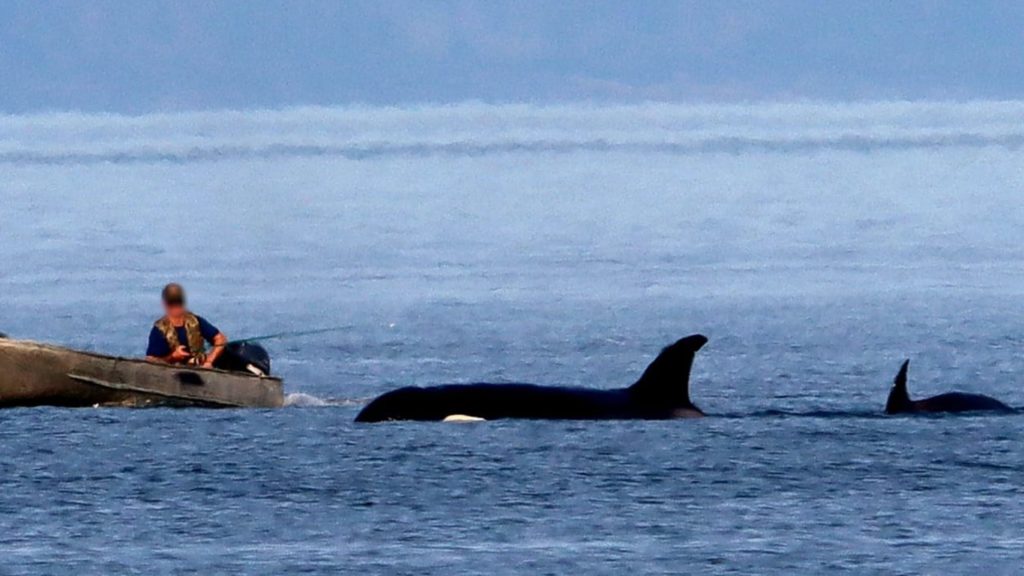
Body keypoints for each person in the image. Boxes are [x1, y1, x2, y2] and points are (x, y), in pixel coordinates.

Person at [146, 283, 227, 368]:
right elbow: (151, 360)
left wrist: (209, 361)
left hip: (199, 369)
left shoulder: (195, 321)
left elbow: (220, 339)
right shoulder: (160, 330)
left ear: (164, 304)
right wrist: (172, 357)